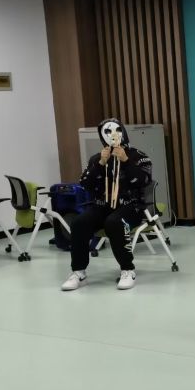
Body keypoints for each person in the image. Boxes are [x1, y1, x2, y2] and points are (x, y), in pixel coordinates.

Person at [61, 118, 152, 291]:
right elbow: (85, 184)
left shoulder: (139, 156)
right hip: (102, 206)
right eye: (108, 132)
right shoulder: (97, 158)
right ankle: (78, 271)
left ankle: (127, 270)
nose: (113, 135)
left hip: (131, 207)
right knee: (79, 222)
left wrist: (126, 160)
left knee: (114, 222)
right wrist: (100, 164)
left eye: (117, 130)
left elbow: (144, 181)